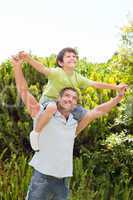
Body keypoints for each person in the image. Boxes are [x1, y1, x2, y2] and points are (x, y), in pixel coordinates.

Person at [12, 56, 127, 200]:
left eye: (74, 98)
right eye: (66, 95)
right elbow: (24, 91)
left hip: (63, 180)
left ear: (75, 104)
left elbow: (98, 111)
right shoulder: (42, 113)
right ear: (58, 99)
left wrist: (118, 98)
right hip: (42, 178)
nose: (70, 99)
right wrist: (17, 67)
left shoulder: (74, 124)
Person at [18, 48, 125, 126]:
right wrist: (28, 58)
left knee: (88, 115)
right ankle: (37, 132)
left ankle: (74, 134)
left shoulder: (77, 77)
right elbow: (42, 68)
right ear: (60, 62)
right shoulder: (57, 72)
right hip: (49, 102)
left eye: (74, 57)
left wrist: (116, 87)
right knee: (52, 107)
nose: (72, 58)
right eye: (68, 56)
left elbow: (96, 84)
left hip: (66, 105)